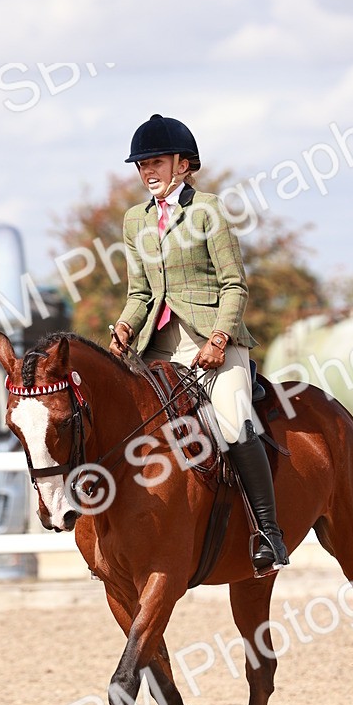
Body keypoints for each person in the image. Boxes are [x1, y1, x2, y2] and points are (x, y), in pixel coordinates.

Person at [109, 113, 289, 575]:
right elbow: (140, 295)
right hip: (160, 348)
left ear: (183, 165)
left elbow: (235, 285)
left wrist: (219, 338)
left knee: (231, 423)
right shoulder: (135, 221)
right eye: (141, 164)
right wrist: (125, 328)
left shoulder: (207, 210)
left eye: (156, 162)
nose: (147, 172)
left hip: (214, 342)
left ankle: (269, 532)